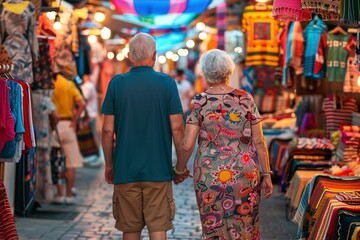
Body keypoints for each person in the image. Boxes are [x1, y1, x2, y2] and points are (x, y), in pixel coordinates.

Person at [174, 49, 273, 239]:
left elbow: (187, 145)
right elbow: (259, 141)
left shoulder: (199, 102)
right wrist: (266, 174)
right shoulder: (245, 99)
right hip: (244, 175)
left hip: (209, 177)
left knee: (214, 229)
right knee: (245, 228)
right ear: (229, 71)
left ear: (205, 72)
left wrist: (179, 170)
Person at [101, 33, 184, 240]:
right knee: (158, 228)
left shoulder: (116, 84)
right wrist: (180, 166)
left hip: (125, 169)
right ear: (154, 55)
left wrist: (109, 165)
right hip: (158, 169)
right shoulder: (167, 83)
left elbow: (107, 131)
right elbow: (177, 128)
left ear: (129, 55)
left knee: (130, 229)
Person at [52, 64, 86, 204]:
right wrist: (74, 120)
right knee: (71, 163)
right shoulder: (69, 84)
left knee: (59, 161)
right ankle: (69, 194)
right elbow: (82, 103)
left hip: (55, 126)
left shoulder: (53, 85)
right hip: (68, 125)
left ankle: (60, 195)